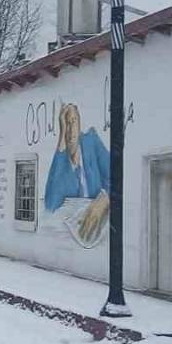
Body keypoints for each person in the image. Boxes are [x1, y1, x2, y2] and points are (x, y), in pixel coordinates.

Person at [44, 103, 111, 242]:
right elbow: (51, 203)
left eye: (73, 121)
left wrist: (104, 198)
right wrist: (62, 138)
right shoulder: (61, 160)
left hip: (100, 230)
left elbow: (116, 175)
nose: (70, 129)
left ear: (80, 124)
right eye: (65, 124)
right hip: (70, 235)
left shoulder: (91, 142)